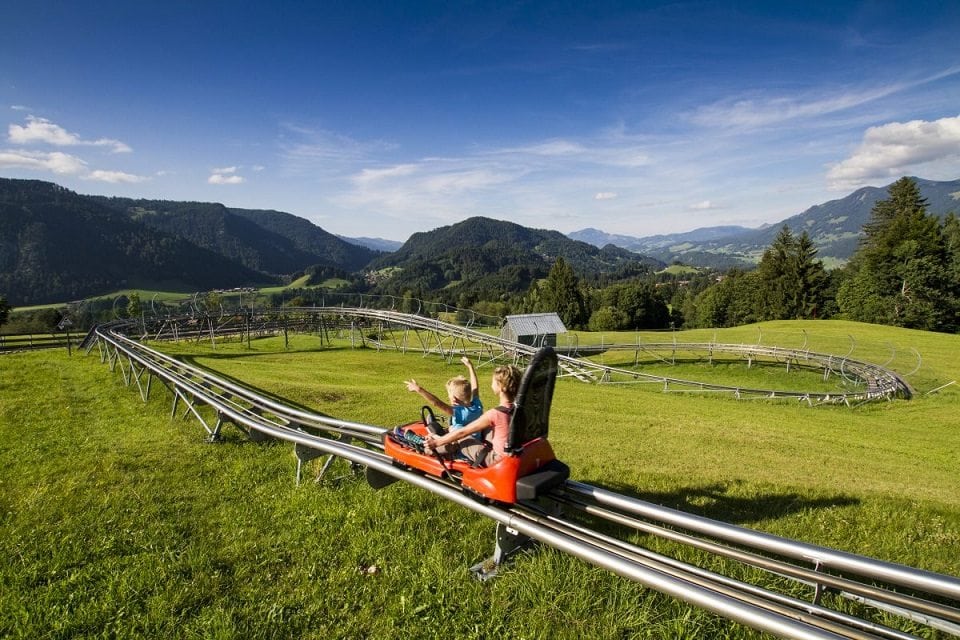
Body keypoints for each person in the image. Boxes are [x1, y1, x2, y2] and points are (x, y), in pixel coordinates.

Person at [423, 363, 522, 467]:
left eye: (493, 382)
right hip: (510, 454)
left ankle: (434, 450)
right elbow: (475, 390)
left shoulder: (495, 413)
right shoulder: (516, 409)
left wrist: (437, 442)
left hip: (496, 460)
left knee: (462, 437)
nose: (491, 384)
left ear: (501, 387)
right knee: (487, 428)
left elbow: (463, 432)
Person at [404, 356, 483, 435]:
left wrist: (418, 389)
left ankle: (425, 436)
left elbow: (437, 402)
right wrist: (470, 367)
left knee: (446, 430)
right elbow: (475, 387)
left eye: (449, 394)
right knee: (452, 427)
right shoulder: (477, 406)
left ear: (454, 399)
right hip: (475, 439)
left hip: (461, 443)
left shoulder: (458, 412)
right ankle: (444, 428)